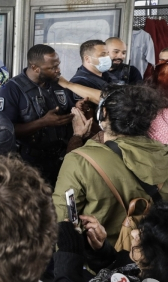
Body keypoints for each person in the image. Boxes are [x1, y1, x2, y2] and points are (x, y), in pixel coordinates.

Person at [53, 84, 168, 246]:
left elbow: (64, 223)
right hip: (156, 261)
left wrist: (77, 136)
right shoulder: (164, 154)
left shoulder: (80, 161)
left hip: (102, 263)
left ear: (103, 113)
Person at [54, 205, 168, 282]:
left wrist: (68, 255)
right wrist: (100, 250)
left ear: (159, 256)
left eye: (143, 235)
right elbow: (120, 272)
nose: (133, 232)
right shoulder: (151, 272)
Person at [0, 44, 74, 186]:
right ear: (35, 68)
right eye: (52, 67)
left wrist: (78, 109)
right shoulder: (11, 89)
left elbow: (68, 112)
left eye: (58, 65)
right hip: (29, 163)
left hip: (61, 158)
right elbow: (5, 132)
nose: (58, 70)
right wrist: (43, 122)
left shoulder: (58, 85)